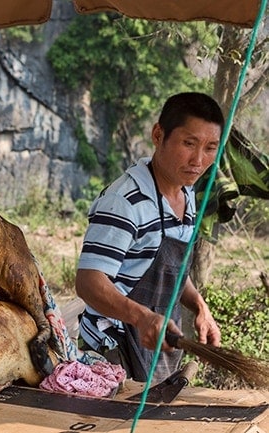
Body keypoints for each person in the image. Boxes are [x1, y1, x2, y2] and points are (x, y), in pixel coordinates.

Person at [75, 92, 223, 383]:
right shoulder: (125, 202)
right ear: (158, 135)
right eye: (189, 143)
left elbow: (171, 270)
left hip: (158, 342)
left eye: (210, 148)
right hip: (113, 347)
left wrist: (199, 306)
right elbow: (89, 282)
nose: (198, 160)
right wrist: (142, 317)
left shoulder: (186, 193)